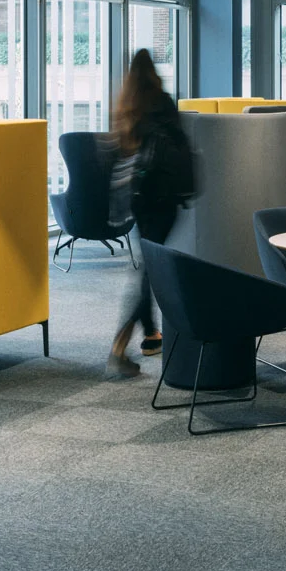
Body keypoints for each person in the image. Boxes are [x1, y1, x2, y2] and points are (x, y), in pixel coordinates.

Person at [107, 50, 195, 379]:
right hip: (162, 199)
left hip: (137, 198)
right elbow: (179, 146)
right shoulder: (162, 102)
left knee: (149, 265)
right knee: (150, 272)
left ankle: (151, 334)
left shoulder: (126, 107)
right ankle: (119, 345)